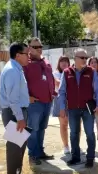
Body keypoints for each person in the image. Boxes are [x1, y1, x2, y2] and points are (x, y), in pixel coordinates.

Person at [58, 48, 98, 168]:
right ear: (75, 58)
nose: (84, 60)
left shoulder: (91, 71)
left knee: (89, 133)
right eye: (82, 58)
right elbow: (61, 92)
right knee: (73, 134)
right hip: (73, 109)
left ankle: (90, 158)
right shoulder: (67, 72)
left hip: (88, 108)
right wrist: (62, 107)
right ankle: (75, 157)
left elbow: (97, 90)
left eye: (86, 58)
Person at [0, 42, 30, 174]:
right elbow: (13, 99)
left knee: (19, 146)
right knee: (14, 148)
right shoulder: (12, 71)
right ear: (18, 55)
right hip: (13, 113)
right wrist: (20, 118)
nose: (29, 57)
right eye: (26, 54)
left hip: (16, 112)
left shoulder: (16, 69)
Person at [23, 37, 55, 165]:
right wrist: (27, 97)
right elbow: (21, 83)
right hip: (34, 103)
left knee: (42, 128)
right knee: (32, 129)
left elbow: (50, 79)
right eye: (36, 47)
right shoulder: (26, 64)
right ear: (29, 48)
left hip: (47, 102)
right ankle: (32, 155)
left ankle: (40, 152)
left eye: (40, 46)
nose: (39, 49)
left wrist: (53, 92)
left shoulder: (45, 62)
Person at [52, 56, 71, 154]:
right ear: (59, 63)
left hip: (72, 100)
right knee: (63, 124)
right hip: (59, 100)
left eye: (66, 61)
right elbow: (58, 84)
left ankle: (76, 145)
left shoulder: (72, 73)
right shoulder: (55, 73)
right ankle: (66, 145)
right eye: (62, 61)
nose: (64, 63)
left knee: (76, 124)